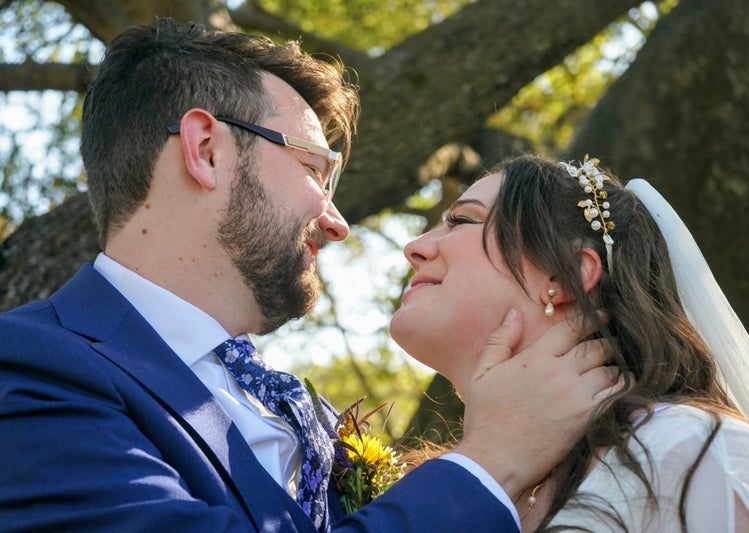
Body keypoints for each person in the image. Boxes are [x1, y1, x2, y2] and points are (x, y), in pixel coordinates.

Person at [0, 20, 621, 532]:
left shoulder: (308, 414)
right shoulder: (30, 371)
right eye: (316, 170)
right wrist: (491, 463)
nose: (337, 222)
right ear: (206, 150)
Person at [390, 153, 749, 532]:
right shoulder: (457, 489)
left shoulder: (698, 457)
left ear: (566, 273)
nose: (414, 247)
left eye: (461, 220)